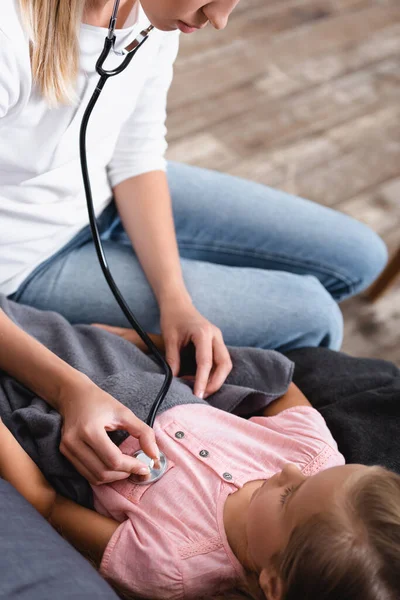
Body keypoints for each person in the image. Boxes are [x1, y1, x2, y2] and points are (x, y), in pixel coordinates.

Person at [0, 0, 388, 406]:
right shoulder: (10, 37)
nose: (219, 20)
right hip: (31, 260)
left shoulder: (145, 15)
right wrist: (66, 389)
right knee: (314, 318)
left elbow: (136, 151)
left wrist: (176, 299)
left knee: (361, 255)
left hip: (104, 190)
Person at [1, 378, 400, 600]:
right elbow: (276, 381)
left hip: (32, 415)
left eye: (289, 496)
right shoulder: (316, 455)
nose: (288, 470)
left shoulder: (170, 566)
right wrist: (144, 340)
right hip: (119, 357)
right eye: (312, 477)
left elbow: (46, 504)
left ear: (273, 584)